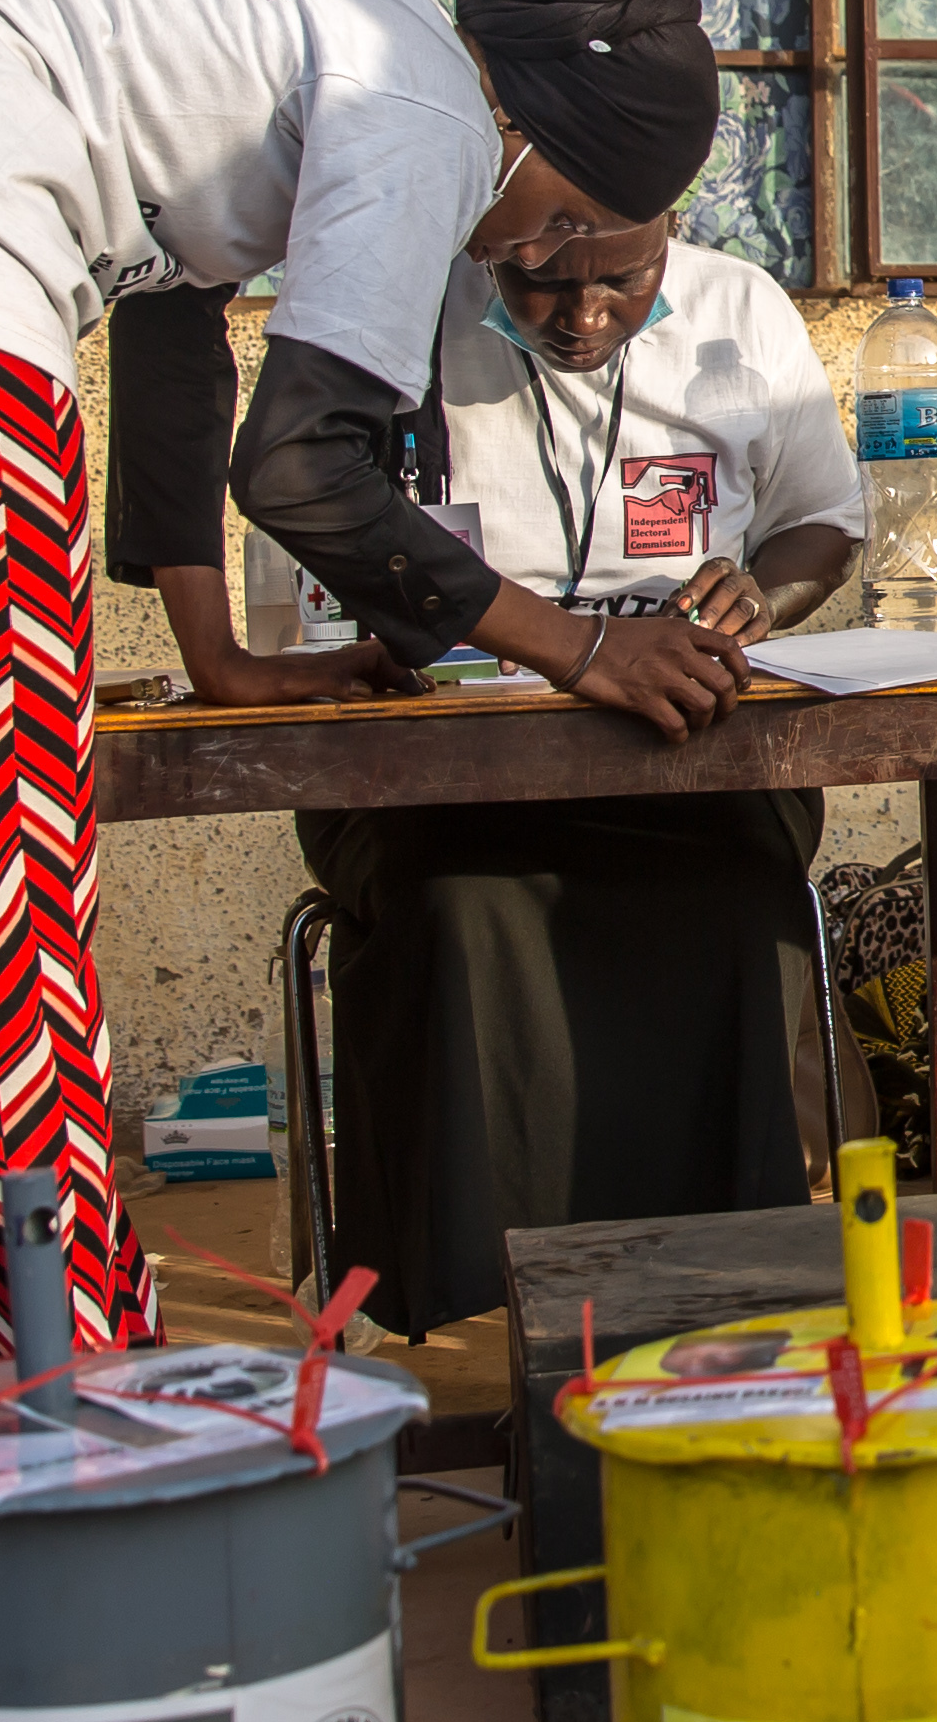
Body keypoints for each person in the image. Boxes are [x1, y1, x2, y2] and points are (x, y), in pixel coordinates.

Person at [0, 0, 740, 1365]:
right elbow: (305, 467)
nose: (525, 258)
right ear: (543, 166)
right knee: (3, 881)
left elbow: (168, 326)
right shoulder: (431, 117)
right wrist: (580, 648)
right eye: (554, 227)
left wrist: (216, 656)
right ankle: (83, 1383)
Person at [279, 157, 868, 1334]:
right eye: (545, 283)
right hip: (443, 781)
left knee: (727, 897)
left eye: (623, 282)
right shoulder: (396, 319)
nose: (585, 315)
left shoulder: (738, 308)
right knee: (457, 907)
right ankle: (491, 1295)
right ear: (494, 236)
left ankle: (722, 1289)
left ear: (673, 236)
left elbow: (823, 525)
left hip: (680, 759)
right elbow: (315, 555)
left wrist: (756, 592)